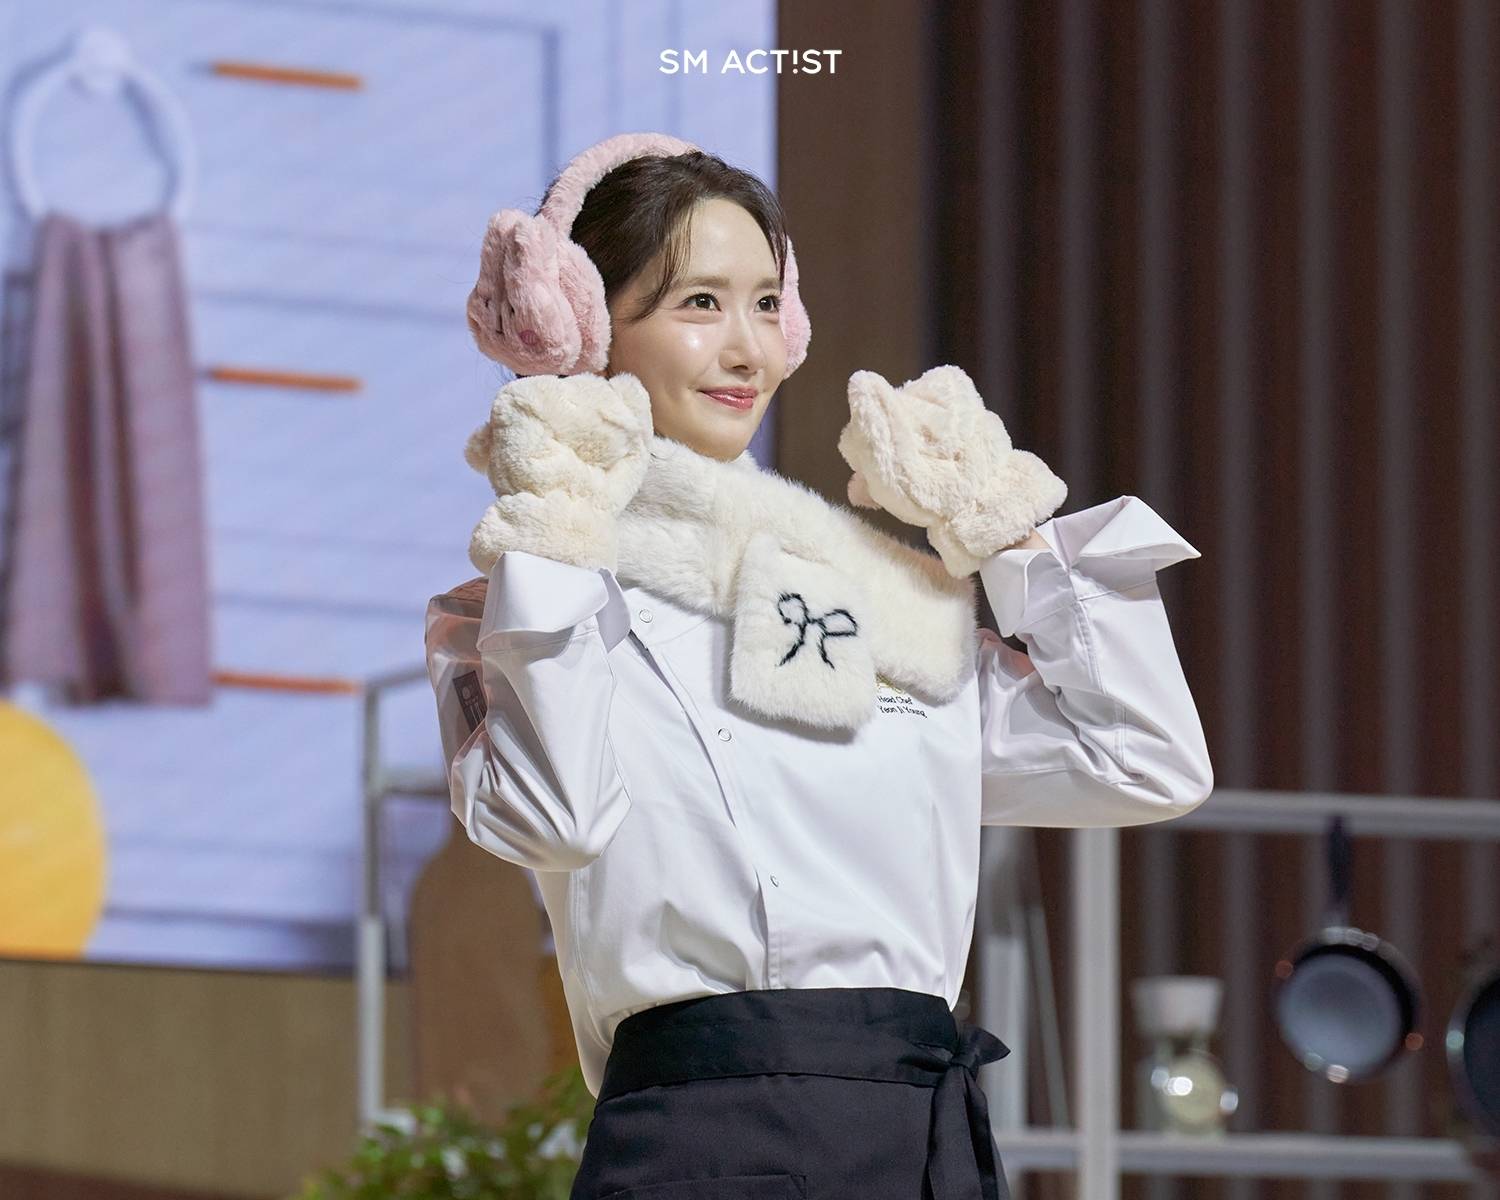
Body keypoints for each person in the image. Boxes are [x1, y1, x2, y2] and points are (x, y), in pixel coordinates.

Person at [424, 131, 1214, 1200]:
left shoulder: (885, 602)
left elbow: (1145, 760)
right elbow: (552, 822)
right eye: (698, 304)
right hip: (692, 1144)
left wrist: (1008, 529)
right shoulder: (519, 609)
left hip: (915, 1139)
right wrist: (556, 541)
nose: (746, 350)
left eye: (764, 303)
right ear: (583, 324)